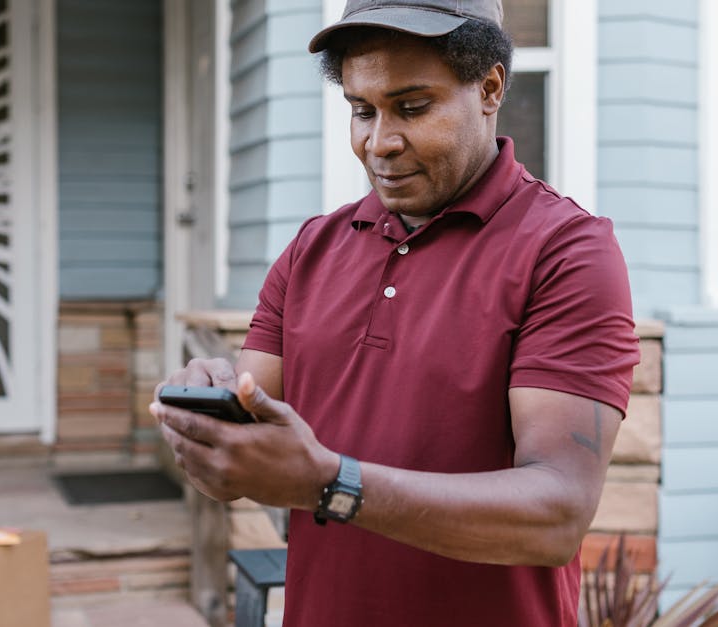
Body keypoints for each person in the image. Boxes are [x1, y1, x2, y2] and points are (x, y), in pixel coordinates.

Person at [149, 0, 640, 624]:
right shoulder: (311, 250)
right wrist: (209, 424)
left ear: (489, 88)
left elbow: (556, 514)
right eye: (362, 110)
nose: (380, 142)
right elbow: (241, 469)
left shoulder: (565, 252)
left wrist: (332, 483)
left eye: (412, 107)